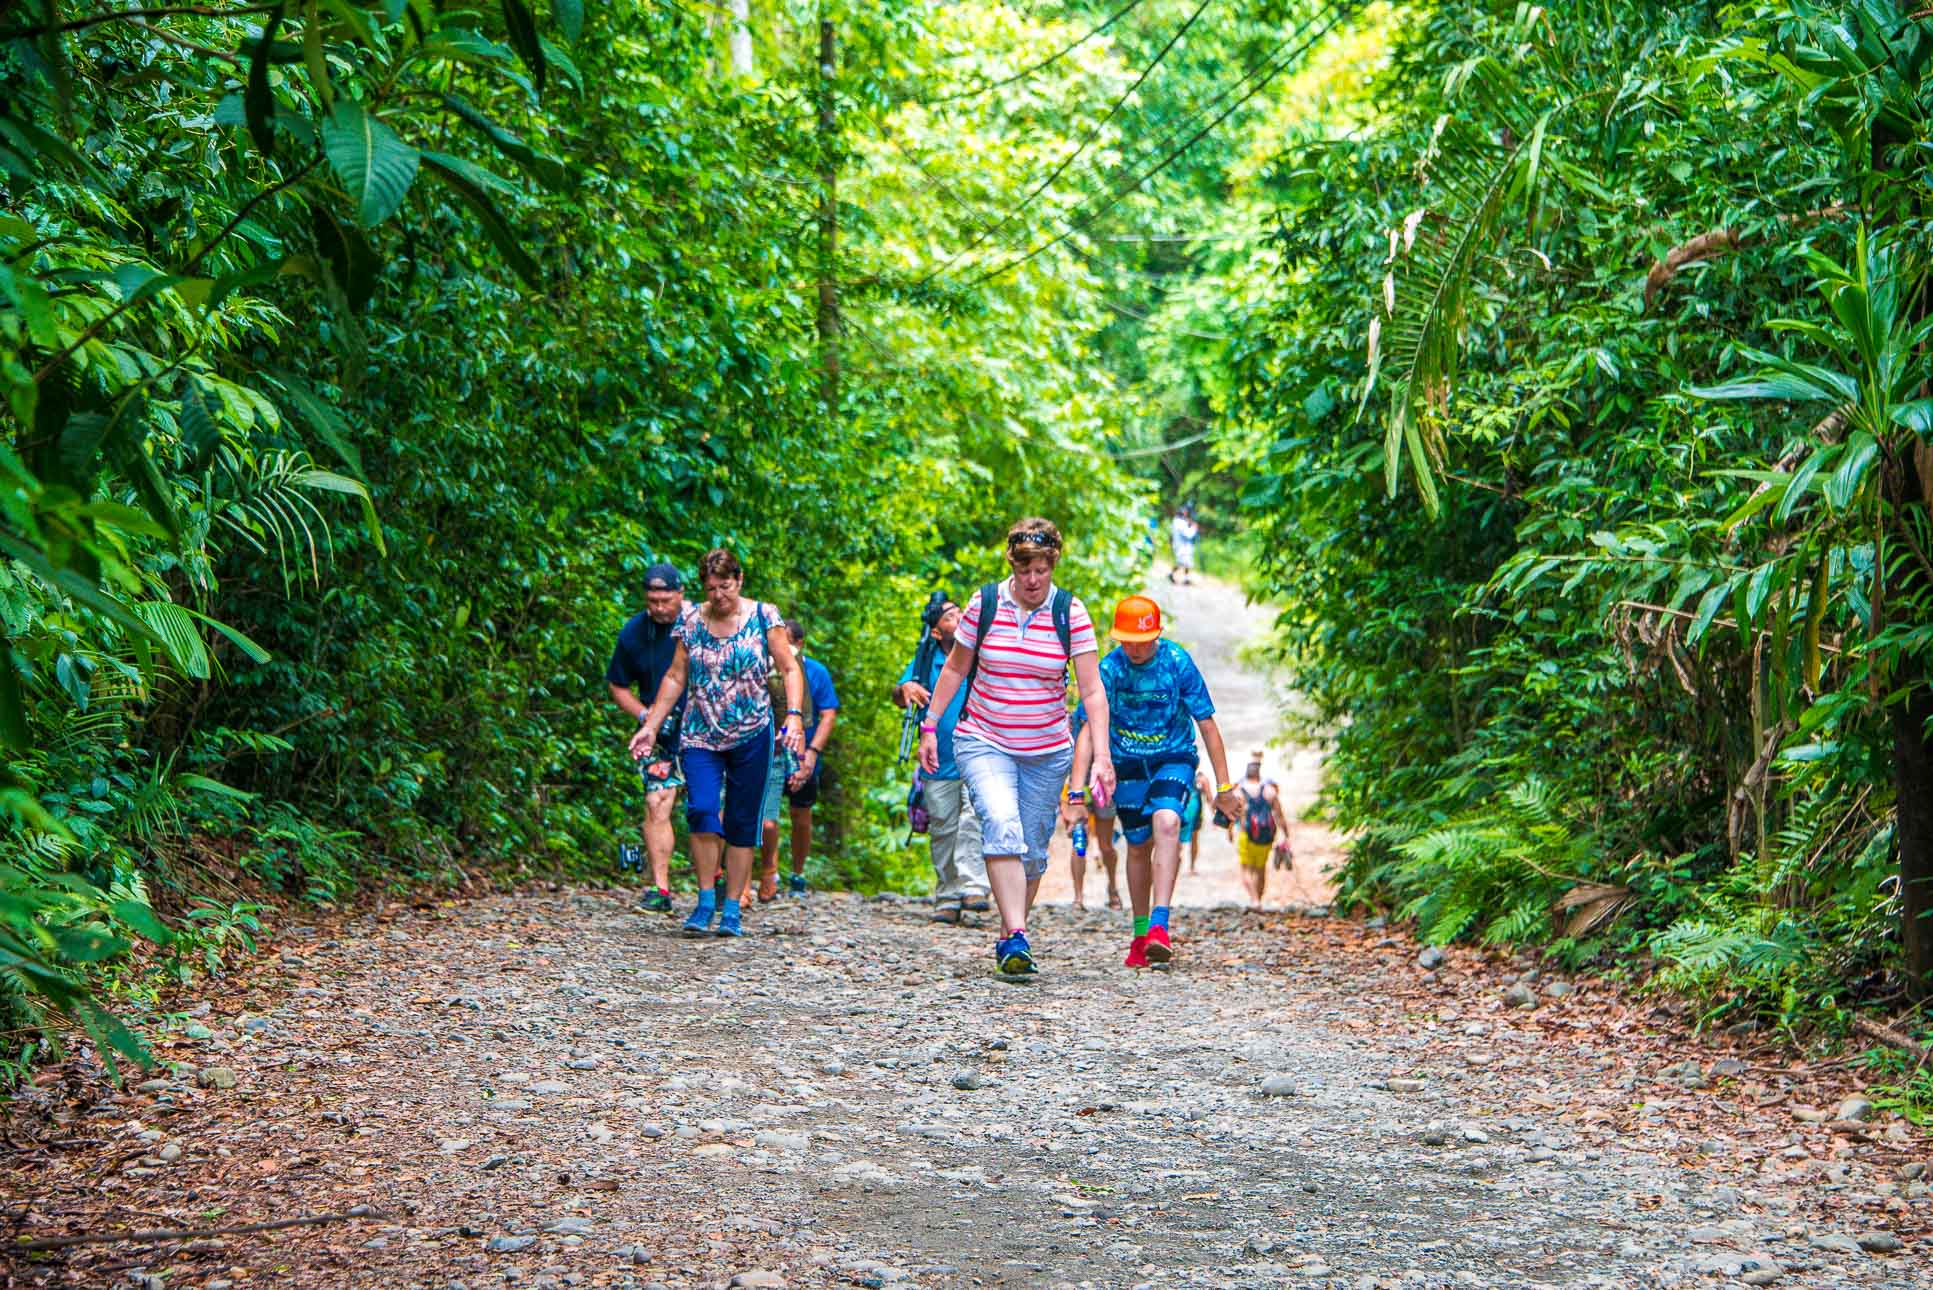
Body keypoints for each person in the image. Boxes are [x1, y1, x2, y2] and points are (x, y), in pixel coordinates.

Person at [918, 518, 1113, 977]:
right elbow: (955, 668)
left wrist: (1102, 757)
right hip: (984, 738)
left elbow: (1092, 691)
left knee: (1032, 851)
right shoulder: (984, 603)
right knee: (1001, 823)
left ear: (1053, 565)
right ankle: (1018, 933)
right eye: (1024, 570)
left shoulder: (1070, 613)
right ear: (1012, 565)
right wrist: (930, 725)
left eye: (1041, 570)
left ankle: (1010, 934)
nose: (1032, 580)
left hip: (1047, 749)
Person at [632, 549, 804, 938]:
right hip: (700, 734)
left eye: (725, 586)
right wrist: (651, 726)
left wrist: (794, 715)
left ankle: (732, 909)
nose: (719, 596)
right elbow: (675, 676)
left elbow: (789, 668)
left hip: (752, 733)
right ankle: (705, 899)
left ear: (739, 580)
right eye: (711, 588)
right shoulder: (692, 621)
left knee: (742, 821)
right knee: (703, 810)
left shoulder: (764, 617)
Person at [1072, 595, 1240, 968]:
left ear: (1156, 635)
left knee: (1167, 821)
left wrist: (1224, 787)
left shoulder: (1177, 662)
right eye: (1126, 641)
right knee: (1137, 846)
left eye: (1141, 641)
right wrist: (1076, 792)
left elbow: (1207, 724)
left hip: (1173, 758)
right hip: (1126, 764)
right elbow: (1087, 728)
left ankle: (1160, 926)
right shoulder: (1109, 669)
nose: (1134, 648)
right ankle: (1140, 935)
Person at [894, 600, 991, 925]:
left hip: (979, 754)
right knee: (943, 827)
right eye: (950, 617)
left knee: (974, 818)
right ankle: (948, 896)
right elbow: (899, 695)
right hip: (938, 761)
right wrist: (905, 688)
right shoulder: (925, 660)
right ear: (936, 632)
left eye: (960, 613)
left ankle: (974, 887)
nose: (959, 618)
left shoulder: (980, 654)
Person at [606, 562, 690, 915]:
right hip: (658, 732)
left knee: (709, 809)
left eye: (665, 601)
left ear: (680, 595)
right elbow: (617, 685)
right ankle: (661, 889)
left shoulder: (700, 624)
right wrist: (646, 717)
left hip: (705, 728)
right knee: (657, 802)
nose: (659, 608)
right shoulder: (634, 632)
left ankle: (718, 881)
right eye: (652, 601)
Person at [777, 619, 838, 897]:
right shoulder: (765, 668)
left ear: (799, 644)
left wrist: (812, 752)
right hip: (772, 752)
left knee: (800, 814)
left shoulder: (816, 672)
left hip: (805, 752)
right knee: (767, 816)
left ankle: (798, 873)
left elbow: (828, 714)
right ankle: (769, 873)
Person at [1235, 750, 1293, 910]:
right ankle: (1258, 900)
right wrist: (1286, 834)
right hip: (1266, 835)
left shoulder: (1239, 790)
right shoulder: (1269, 790)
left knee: (1246, 869)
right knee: (1260, 868)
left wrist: (1229, 832)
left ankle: (1255, 900)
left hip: (1246, 834)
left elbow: (1234, 815)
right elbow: (1279, 815)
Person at [1185, 768, 1212, 875]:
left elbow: (1209, 797)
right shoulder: (1201, 779)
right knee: (1194, 840)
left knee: (1177, 840)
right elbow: (1209, 798)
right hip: (1195, 813)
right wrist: (1214, 814)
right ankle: (1191, 866)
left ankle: (1178, 863)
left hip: (1184, 811)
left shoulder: (1187, 776)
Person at [1168, 504, 1199, 585]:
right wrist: (1194, 528)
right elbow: (1188, 534)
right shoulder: (1180, 523)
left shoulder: (1176, 521)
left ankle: (1186, 578)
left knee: (1185, 563)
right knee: (1183, 562)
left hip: (1181, 545)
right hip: (1182, 546)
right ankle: (1173, 575)